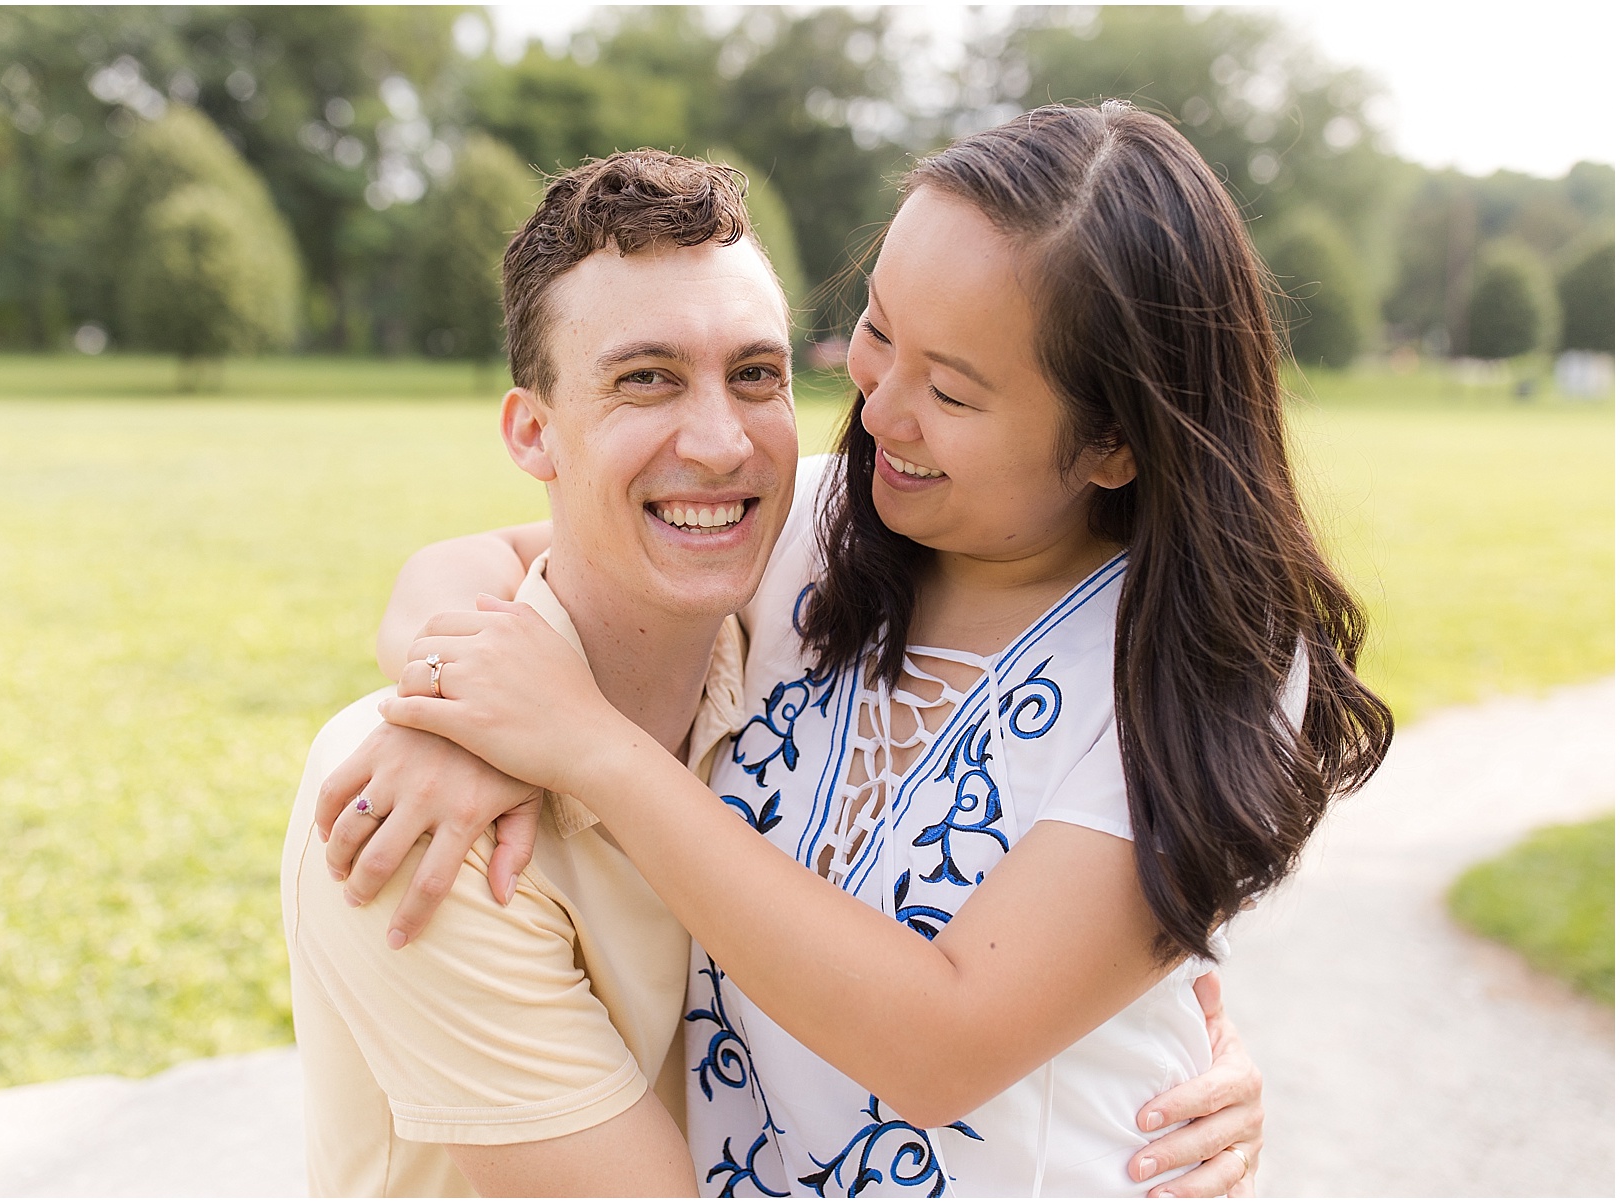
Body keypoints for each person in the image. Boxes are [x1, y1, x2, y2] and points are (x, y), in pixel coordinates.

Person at [361, 104, 1391, 1196]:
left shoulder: (1201, 668)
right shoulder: (817, 528)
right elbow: (480, 561)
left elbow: (942, 1047)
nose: (879, 407)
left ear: (1113, 441)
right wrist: (453, 718)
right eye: (879, 330)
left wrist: (592, 753)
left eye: (950, 391)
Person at [283, 150, 800, 1195]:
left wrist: (1187, 1043)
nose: (718, 440)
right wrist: (460, 712)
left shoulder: (808, 640)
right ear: (534, 433)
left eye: (756, 374)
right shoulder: (411, 812)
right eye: (644, 379)